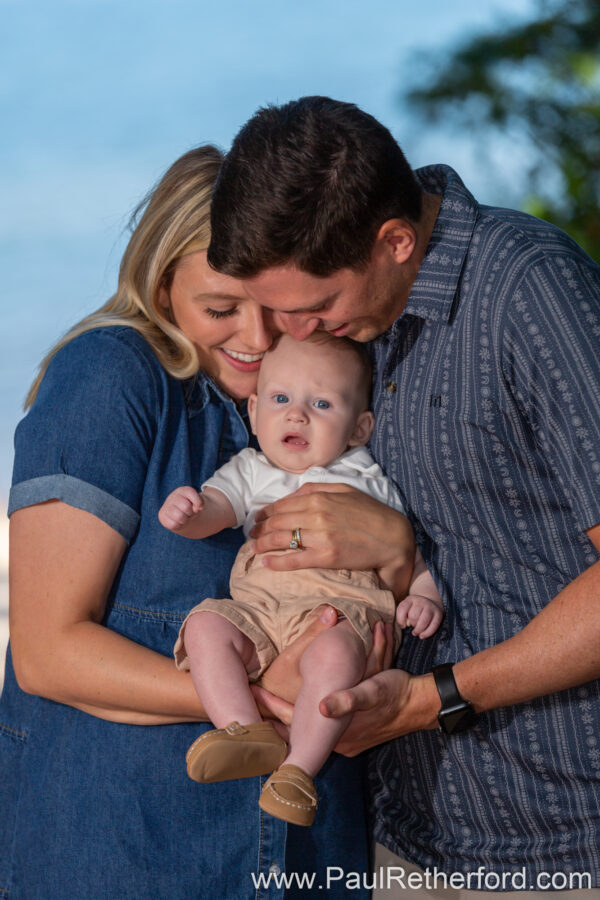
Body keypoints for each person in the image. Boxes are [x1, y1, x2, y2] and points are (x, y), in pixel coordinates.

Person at [206, 96, 600, 893]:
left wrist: (432, 699)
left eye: (314, 308)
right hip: (406, 834)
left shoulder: (529, 290)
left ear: (395, 241)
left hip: (568, 840)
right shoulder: (360, 321)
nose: (291, 334)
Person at [3, 145, 403, 900]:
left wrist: (398, 550)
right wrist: (262, 698)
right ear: (161, 286)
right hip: (129, 852)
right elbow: (48, 653)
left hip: (304, 851)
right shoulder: (111, 376)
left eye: (273, 304)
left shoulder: (317, 391)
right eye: (221, 309)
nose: (258, 339)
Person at [159, 332, 443, 826]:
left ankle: (297, 772)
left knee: (333, 657)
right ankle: (245, 730)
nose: (297, 414)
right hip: (261, 611)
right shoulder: (250, 470)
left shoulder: (369, 477)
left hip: (343, 610)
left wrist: (423, 594)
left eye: (322, 403)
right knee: (206, 627)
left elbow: (409, 553)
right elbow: (218, 511)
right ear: (253, 412)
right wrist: (191, 512)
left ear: (359, 428)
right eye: (281, 399)